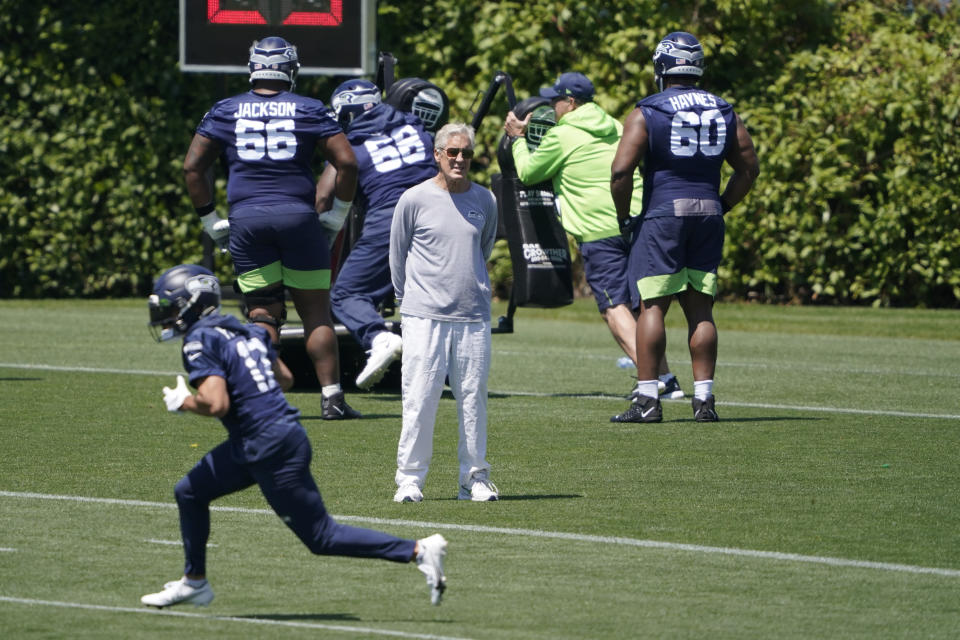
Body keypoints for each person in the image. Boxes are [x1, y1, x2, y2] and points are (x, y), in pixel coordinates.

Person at [140, 264, 449, 608]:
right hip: (272, 437)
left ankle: (419, 550)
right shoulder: (243, 331)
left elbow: (215, 402)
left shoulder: (200, 339)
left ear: (190, 304)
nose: (166, 316)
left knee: (321, 537)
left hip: (265, 444)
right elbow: (284, 378)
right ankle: (194, 581)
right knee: (189, 492)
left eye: (170, 307)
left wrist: (183, 402)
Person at [182, 36, 360, 420]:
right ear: (290, 70)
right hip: (298, 217)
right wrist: (338, 214)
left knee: (262, 312)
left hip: (248, 219)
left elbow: (192, 167)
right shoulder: (309, 108)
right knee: (315, 312)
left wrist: (210, 220)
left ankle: (262, 399)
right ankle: (332, 399)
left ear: (253, 68)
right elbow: (347, 163)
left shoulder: (225, 109)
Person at [503, 72, 684, 400]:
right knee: (641, 309)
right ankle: (666, 377)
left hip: (598, 230)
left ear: (570, 102)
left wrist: (517, 139)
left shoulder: (563, 134)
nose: (552, 107)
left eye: (556, 100)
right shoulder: (616, 125)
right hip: (635, 219)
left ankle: (655, 379)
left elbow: (528, 172)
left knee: (613, 306)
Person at [609, 32, 759, 423]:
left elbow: (621, 171)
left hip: (663, 215)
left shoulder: (648, 111)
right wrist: (722, 205)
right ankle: (704, 400)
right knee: (700, 308)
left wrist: (625, 216)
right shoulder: (725, 110)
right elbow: (748, 169)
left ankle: (647, 401)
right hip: (708, 212)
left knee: (652, 307)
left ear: (660, 68)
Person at [389, 123, 500, 503]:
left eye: (466, 153)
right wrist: (411, 303)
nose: (459, 159)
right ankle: (410, 480)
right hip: (423, 317)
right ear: (437, 154)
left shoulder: (485, 200)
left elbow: (482, 250)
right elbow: (397, 255)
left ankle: (474, 478)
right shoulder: (414, 199)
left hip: (472, 317)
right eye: (452, 152)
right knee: (419, 398)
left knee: (473, 399)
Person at [316, 79, 438, 390]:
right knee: (425, 298)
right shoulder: (413, 123)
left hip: (392, 218)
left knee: (346, 294)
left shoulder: (351, 144)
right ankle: (444, 364)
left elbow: (323, 197)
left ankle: (378, 338)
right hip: (440, 214)